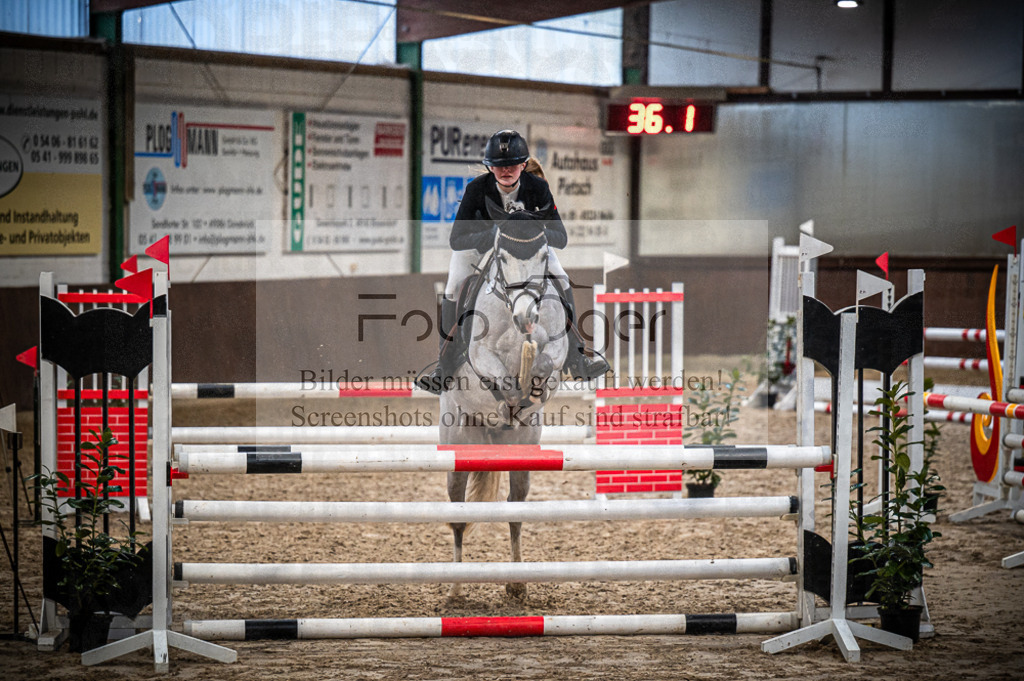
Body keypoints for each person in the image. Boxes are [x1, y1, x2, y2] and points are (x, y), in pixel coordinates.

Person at [417, 129, 609, 394]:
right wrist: (491, 235)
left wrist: (535, 232)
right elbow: (457, 239)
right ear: (490, 167)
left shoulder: (538, 187)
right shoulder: (476, 189)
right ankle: (444, 367)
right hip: (481, 249)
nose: (505, 170)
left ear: (522, 165)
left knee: (562, 278)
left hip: (529, 249)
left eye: (510, 165)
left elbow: (561, 237)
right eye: (498, 166)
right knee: (452, 287)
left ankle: (577, 359)